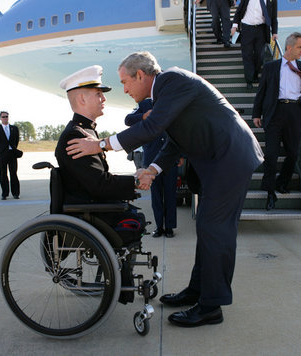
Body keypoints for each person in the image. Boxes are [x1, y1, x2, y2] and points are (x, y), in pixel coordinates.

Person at [66, 51, 264, 328]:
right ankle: (198, 291)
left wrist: (99, 145)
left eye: (125, 81)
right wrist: (153, 170)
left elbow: (152, 128)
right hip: (220, 162)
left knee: (216, 231)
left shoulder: (173, 80)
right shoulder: (166, 94)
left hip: (229, 160)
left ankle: (211, 306)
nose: (124, 89)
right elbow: (174, 142)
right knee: (208, 229)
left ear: (141, 75)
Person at [54, 65, 152, 206]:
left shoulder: (86, 130)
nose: (104, 99)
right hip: (91, 210)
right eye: (98, 94)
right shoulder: (75, 135)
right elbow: (98, 185)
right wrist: (135, 181)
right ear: (82, 99)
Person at [252, 32, 301, 210]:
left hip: (294, 112)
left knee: (293, 154)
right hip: (275, 112)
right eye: (300, 47)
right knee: (272, 154)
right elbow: (262, 92)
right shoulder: (271, 67)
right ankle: (269, 192)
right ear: (289, 47)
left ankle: (282, 183)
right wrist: (256, 114)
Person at [125, 98, 178, 238]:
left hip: (170, 157)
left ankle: (170, 227)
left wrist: (181, 155)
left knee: (170, 194)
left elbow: (180, 128)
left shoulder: (171, 101)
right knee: (156, 195)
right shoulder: (144, 104)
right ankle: (159, 226)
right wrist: (144, 115)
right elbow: (128, 120)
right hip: (151, 158)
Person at [231, 0, 278, 89]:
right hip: (247, 29)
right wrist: (234, 26)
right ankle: (249, 80)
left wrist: (275, 32)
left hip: (261, 29)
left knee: (259, 56)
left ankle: (255, 75)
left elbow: (274, 17)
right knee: (247, 55)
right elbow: (239, 11)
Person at [0, 111, 21, 200]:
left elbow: (16, 140)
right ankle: (4, 193)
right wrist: (1, 150)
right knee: (3, 174)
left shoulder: (14, 128)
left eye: (6, 116)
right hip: (2, 154)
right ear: (0, 118)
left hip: (12, 154)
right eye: (3, 117)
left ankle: (16, 193)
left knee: (13, 173)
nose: (5, 118)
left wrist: (12, 148)